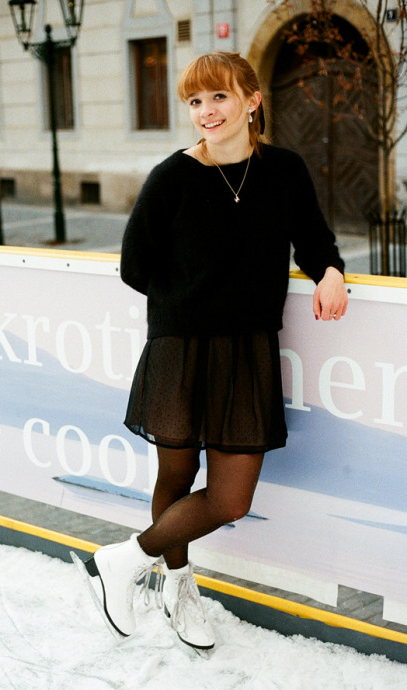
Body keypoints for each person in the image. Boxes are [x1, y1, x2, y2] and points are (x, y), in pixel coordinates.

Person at [77, 52, 348, 652]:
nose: (206, 112)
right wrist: (192, 302)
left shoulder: (283, 170)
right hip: (179, 347)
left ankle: (125, 559)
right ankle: (177, 585)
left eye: (219, 97)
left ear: (252, 100)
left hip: (248, 348)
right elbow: (135, 266)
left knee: (230, 498)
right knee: (175, 473)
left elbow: (313, 239)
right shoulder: (171, 177)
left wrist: (330, 270)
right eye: (195, 101)